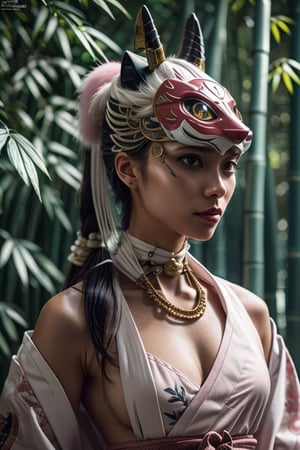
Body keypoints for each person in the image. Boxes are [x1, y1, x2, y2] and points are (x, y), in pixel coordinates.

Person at [0, 5, 299, 449]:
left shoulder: (252, 314)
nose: (217, 187)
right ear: (128, 169)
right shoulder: (76, 320)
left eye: (229, 165)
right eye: (191, 160)